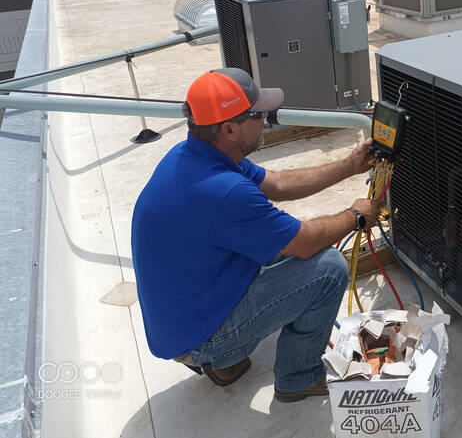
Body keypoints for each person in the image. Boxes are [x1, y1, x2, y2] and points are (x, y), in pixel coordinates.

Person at [131, 67, 382, 402]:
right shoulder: (224, 191)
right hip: (197, 338)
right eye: (257, 113)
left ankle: (220, 360)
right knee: (328, 268)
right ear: (230, 129)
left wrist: (349, 165)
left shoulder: (195, 154)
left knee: (277, 241)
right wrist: (355, 217)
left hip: (178, 321)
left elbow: (277, 184)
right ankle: (297, 377)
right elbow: (305, 243)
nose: (266, 117)